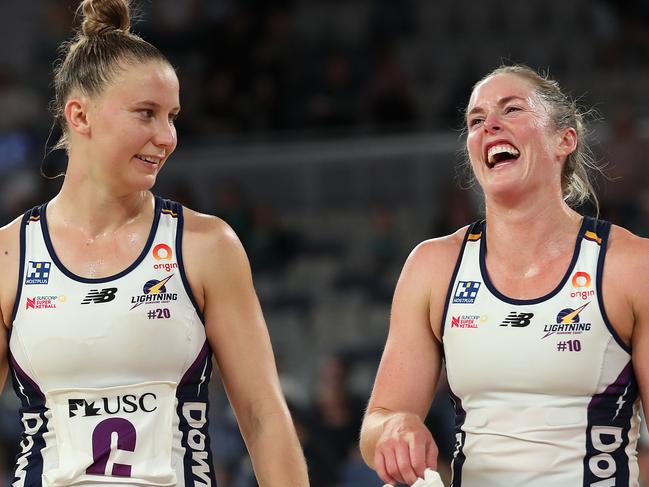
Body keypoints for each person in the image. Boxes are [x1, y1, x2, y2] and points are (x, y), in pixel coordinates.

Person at [0, 0, 309, 486]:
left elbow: (263, 416)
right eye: (147, 113)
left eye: (172, 116)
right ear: (79, 115)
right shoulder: (8, 255)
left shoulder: (206, 245)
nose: (166, 136)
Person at [359, 64, 649, 486]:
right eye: (476, 121)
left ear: (564, 139)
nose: (489, 125)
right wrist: (395, 429)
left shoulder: (630, 265)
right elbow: (378, 421)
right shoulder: (433, 266)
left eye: (512, 110)